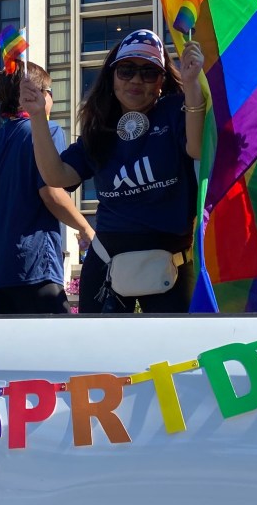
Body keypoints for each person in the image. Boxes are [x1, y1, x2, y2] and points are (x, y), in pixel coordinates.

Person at [20, 29, 206, 314]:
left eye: (148, 73)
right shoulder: (101, 130)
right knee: (96, 354)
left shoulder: (174, 110)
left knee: (175, 353)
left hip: (170, 263)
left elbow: (197, 149)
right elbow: (57, 176)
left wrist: (192, 86)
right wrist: (37, 117)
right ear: (112, 77)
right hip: (106, 262)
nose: (135, 80)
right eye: (126, 70)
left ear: (161, 82)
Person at [0, 62, 95, 314]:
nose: (51, 98)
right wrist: (86, 228)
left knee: (4, 352)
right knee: (55, 349)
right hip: (32, 267)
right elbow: (51, 192)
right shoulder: (45, 131)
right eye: (50, 91)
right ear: (36, 94)